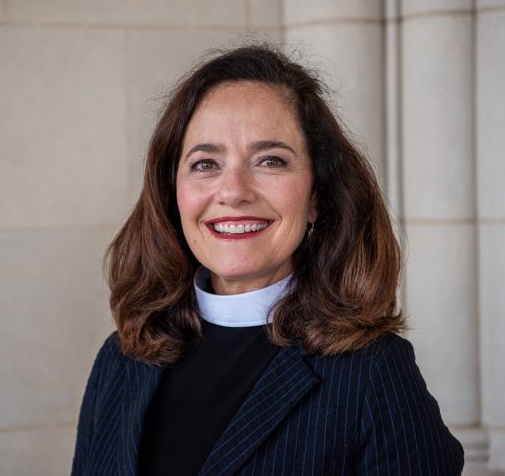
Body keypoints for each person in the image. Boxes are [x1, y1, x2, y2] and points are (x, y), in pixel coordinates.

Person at [71, 44, 464, 475]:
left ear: (316, 195)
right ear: (173, 193)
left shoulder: (373, 374)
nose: (234, 190)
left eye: (270, 160)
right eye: (205, 164)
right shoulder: (121, 360)